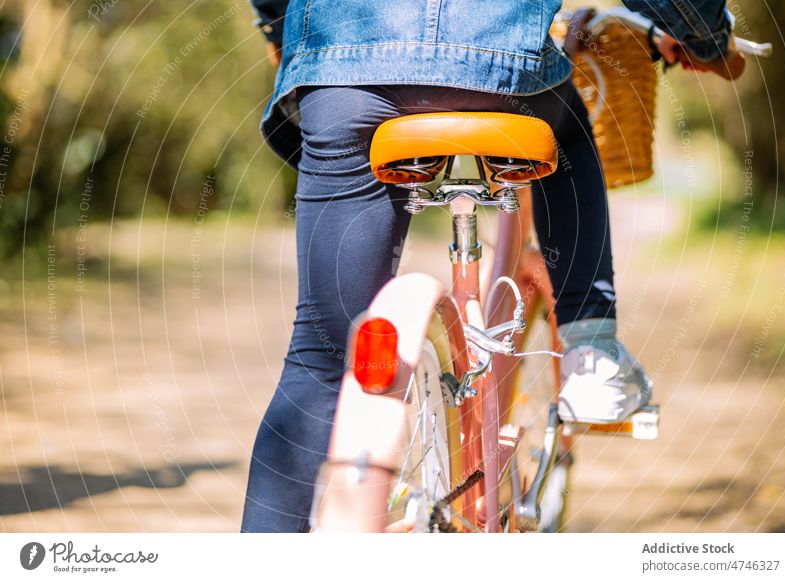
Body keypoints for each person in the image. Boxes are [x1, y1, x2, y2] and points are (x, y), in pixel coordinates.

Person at [241, 0, 735, 533]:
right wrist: (704, 39)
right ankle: (590, 350)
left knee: (321, 358)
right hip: (498, 71)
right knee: (569, 133)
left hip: (345, 78)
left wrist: (279, 28)